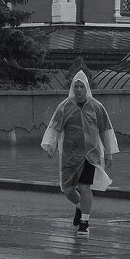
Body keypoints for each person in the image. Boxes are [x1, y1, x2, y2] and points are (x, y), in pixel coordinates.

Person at [40, 70, 119, 238]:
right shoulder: (64, 107)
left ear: (86, 88)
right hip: (70, 155)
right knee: (67, 189)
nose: (78, 90)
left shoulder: (97, 107)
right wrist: (51, 146)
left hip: (90, 155)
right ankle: (79, 206)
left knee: (84, 187)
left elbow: (105, 130)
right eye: (75, 86)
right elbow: (55, 128)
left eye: (81, 86)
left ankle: (85, 222)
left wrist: (109, 152)